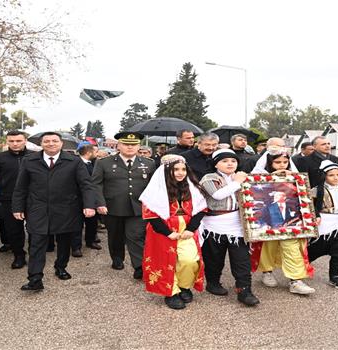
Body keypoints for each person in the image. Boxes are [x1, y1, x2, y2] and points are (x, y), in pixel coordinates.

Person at [12, 132, 97, 291]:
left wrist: (89, 205)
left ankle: (61, 267)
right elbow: (21, 187)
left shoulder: (74, 161)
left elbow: (86, 185)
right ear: (41, 144)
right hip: (37, 209)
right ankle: (35, 278)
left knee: (64, 242)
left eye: (54, 141)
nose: (51, 143)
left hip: (67, 209)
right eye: (47, 141)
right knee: (36, 243)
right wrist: (17, 207)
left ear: (61, 143)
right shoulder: (29, 161)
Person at [139, 154, 208, 309]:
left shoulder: (191, 188)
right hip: (162, 231)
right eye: (175, 169)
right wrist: (167, 232)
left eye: (183, 169)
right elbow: (150, 214)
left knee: (189, 260)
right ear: (166, 171)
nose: (180, 172)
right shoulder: (155, 189)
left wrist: (191, 229)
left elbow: (201, 209)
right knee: (166, 261)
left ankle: (184, 286)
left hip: (187, 231)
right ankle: (171, 292)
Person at [199, 149, 260, 306]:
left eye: (233, 161)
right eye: (225, 161)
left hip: (237, 225)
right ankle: (213, 283)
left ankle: (244, 290)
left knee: (242, 260)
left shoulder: (240, 177)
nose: (230, 164)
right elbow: (218, 195)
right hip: (214, 225)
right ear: (216, 164)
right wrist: (237, 182)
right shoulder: (209, 178)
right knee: (214, 258)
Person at [251, 150, 316, 295]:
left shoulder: (295, 179)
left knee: (292, 248)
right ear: (270, 163)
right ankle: (267, 272)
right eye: (277, 162)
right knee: (268, 247)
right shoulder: (258, 179)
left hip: (291, 223)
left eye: (285, 162)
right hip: (269, 223)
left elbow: (303, 198)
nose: (282, 165)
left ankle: (296, 281)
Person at [92, 132, 155, 279]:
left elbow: (154, 186)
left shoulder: (148, 163)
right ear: (118, 145)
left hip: (138, 207)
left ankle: (139, 266)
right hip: (113, 206)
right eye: (126, 144)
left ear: (139, 146)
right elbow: (96, 184)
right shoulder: (103, 163)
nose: (130, 147)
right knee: (115, 236)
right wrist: (100, 202)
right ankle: (117, 258)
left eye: (133, 144)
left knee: (136, 236)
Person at [0, 130, 33, 269]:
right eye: (11, 141)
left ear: (25, 141)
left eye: (18, 141)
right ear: (7, 142)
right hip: (7, 199)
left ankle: (35, 254)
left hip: (33, 199)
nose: (15, 144)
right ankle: (19, 255)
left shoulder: (35, 157)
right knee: (14, 230)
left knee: (35, 229)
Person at [308, 160, 338, 290]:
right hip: (323, 225)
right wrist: (315, 217)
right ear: (324, 176)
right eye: (331, 175)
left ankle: (335, 276)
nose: (335, 178)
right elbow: (309, 207)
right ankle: (299, 268)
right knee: (314, 250)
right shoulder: (316, 191)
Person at [71, 143, 103, 257]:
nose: (97, 154)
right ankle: (76, 247)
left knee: (92, 223)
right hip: (77, 199)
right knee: (77, 224)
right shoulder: (73, 163)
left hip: (92, 199)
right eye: (95, 151)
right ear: (89, 152)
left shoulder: (94, 163)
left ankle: (90, 241)